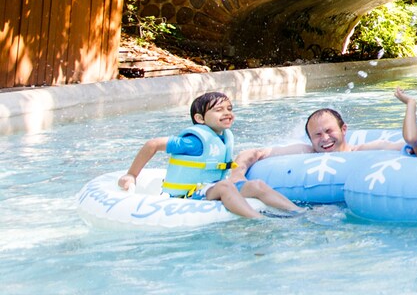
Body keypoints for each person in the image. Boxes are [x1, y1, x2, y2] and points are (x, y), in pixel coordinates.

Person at [117, 91, 302, 220]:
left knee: (256, 185)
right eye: (219, 110)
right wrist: (131, 175)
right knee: (225, 187)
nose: (227, 113)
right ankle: (259, 220)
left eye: (229, 108)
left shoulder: (223, 137)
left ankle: (297, 212)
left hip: (210, 187)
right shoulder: (194, 141)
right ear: (200, 119)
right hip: (187, 195)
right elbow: (153, 144)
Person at [232, 107, 404, 167]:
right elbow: (256, 152)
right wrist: (236, 176)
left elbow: (396, 146)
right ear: (310, 139)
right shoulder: (306, 151)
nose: (325, 138)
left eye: (329, 131)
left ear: (344, 129)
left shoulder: (360, 150)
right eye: (317, 135)